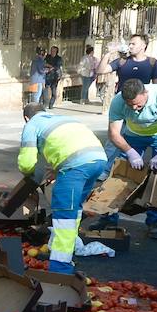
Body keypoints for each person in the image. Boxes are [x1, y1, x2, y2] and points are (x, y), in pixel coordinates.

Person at [95, 78, 157, 240]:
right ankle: (108, 218)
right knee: (120, 175)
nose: (134, 109)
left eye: (138, 105)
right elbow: (114, 133)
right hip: (134, 135)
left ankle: (155, 221)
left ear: (145, 93)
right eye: (130, 105)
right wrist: (130, 152)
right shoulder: (118, 101)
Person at [18, 103, 110, 274]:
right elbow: (69, 145)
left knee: (64, 216)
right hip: (98, 160)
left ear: (26, 118)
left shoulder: (31, 125)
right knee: (75, 209)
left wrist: (28, 174)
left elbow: (27, 162)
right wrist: (57, 169)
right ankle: (68, 248)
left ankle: (60, 267)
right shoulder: (60, 118)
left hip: (76, 167)